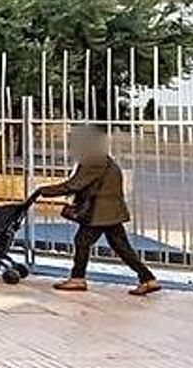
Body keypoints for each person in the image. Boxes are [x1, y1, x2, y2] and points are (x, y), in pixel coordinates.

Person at [36, 125, 161, 296]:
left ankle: (77, 279)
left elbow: (75, 184)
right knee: (120, 246)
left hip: (101, 212)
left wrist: (43, 191)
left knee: (82, 241)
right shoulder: (99, 157)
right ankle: (148, 279)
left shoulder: (94, 159)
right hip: (108, 210)